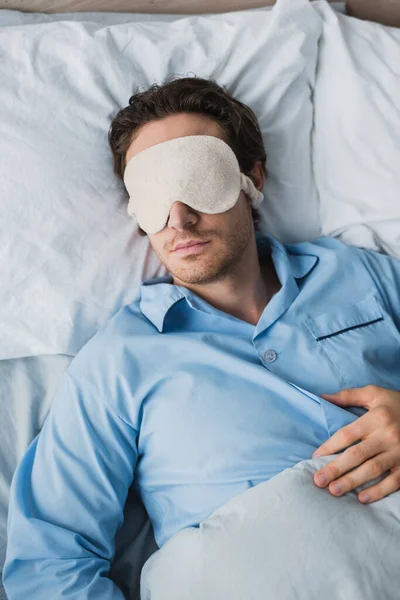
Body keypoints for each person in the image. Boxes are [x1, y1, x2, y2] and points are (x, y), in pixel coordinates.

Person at [3, 76, 400, 599]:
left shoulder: (363, 276)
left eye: (198, 180)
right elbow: (49, 561)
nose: (179, 218)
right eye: (153, 195)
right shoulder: (118, 361)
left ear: (251, 177)